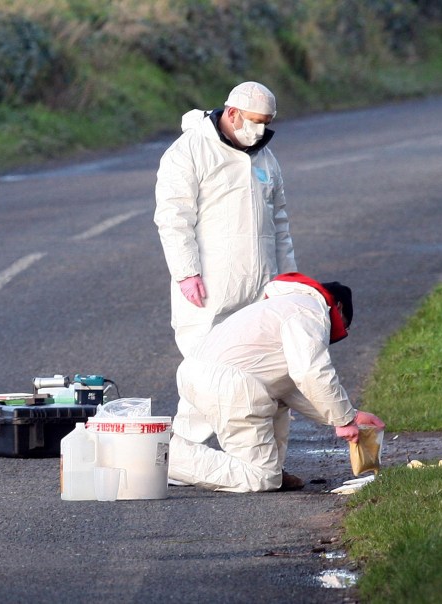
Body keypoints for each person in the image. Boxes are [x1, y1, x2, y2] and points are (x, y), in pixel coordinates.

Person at [154, 81, 298, 443]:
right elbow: (173, 216)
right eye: (254, 121)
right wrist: (186, 272)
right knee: (206, 371)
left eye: (266, 122)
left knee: (263, 370)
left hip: (261, 283)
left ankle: (259, 457)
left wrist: (288, 278)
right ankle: (189, 453)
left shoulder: (265, 158)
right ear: (231, 113)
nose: (260, 130)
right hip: (210, 286)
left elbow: (279, 221)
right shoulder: (189, 151)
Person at [167, 273, 386, 493]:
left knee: (278, 398)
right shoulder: (311, 312)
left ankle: (270, 467)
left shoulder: (284, 305)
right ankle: (162, 454)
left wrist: (350, 415)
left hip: (196, 371)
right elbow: (310, 372)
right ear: (337, 308)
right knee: (260, 477)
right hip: (229, 384)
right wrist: (344, 419)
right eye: (343, 326)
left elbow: (293, 388)